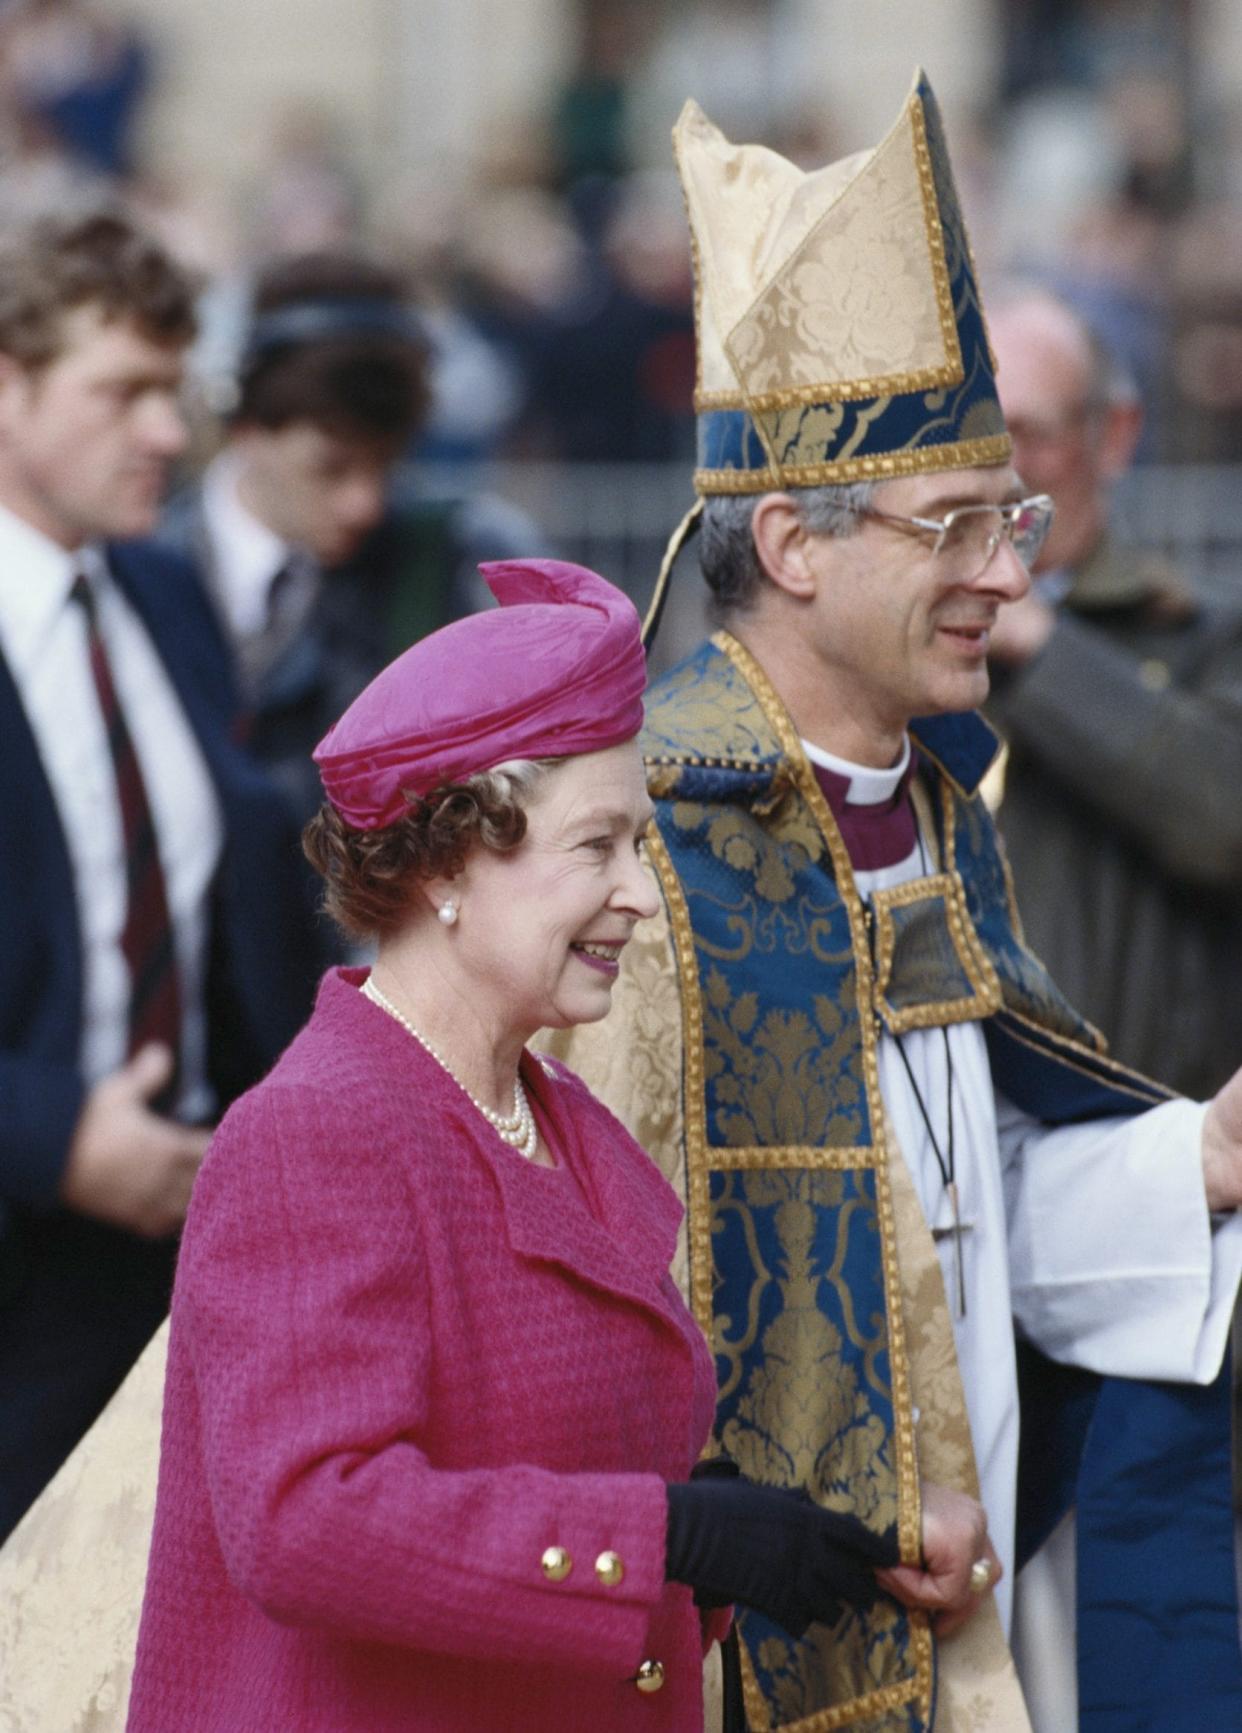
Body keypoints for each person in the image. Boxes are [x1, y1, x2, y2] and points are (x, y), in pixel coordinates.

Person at [543, 73, 1242, 1733]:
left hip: (956, 1607)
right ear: (791, 541)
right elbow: (573, 1326)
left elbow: (957, 1211)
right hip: (721, 1637)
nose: (1011, 574)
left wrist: (1187, 1159)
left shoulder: (939, 810)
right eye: (958, 527)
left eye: (1008, 518)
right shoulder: (637, 853)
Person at [123, 558, 905, 1732]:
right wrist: (662, 1532)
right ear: (445, 862)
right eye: (598, 847)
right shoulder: (317, 1129)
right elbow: (305, 1519)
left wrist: (720, 1533)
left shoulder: (560, 1117)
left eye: (640, 843)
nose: (642, 894)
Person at [0, 203, 318, 1545]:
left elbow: (237, 910)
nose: (167, 435)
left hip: (193, 1260)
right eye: (120, 391)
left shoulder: (166, 600)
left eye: (174, 393)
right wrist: (53, 1136)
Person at [157, 249, 545, 827]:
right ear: (246, 430)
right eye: (331, 468)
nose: (364, 503)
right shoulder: (146, 564)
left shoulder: (458, 559)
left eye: (385, 466)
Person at [984, 284, 1242, 1097]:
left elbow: (1225, 817)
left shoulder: (1201, 629)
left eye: (1029, 434)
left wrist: (1039, 644)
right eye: (972, 437)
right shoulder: (896, 643)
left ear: (1114, 437)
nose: (999, 474)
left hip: (1145, 1137)